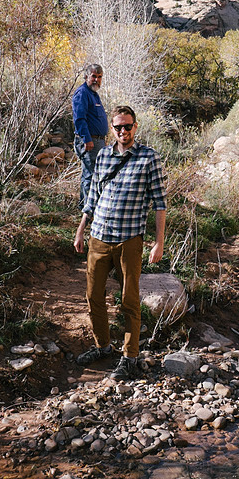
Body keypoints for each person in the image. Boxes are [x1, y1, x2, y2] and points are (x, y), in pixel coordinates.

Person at [73, 105, 167, 381]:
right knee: (93, 296)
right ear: (112, 129)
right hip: (99, 236)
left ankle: (130, 356)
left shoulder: (149, 158)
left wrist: (158, 242)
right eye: (118, 127)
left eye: (128, 126)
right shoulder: (102, 156)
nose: (123, 131)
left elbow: (160, 204)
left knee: (129, 300)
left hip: (129, 239)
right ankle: (103, 346)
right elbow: (93, 196)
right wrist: (80, 230)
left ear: (135, 127)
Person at [71, 64, 107, 208]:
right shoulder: (82, 93)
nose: (96, 80)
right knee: (90, 175)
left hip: (97, 140)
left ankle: (85, 205)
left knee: (94, 174)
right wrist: (87, 139)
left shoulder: (94, 93)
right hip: (89, 141)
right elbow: (79, 119)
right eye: (93, 76)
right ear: (86, 77)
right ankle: (87, 209)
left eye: (99, 77)